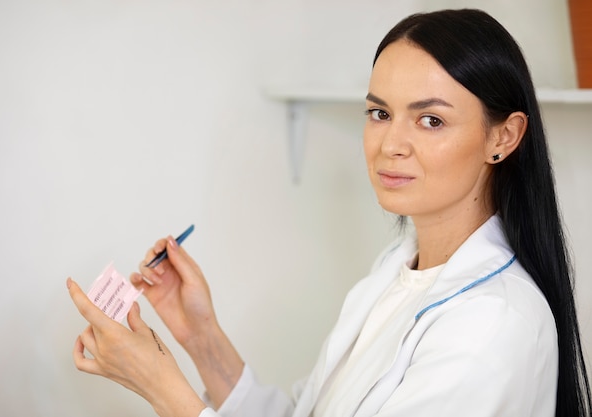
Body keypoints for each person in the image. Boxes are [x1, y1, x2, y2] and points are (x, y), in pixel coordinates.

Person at [67, 8, 592, 417]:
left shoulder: (495, 323)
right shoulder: (396, 268)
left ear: (503, 136)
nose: (391, 144)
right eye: (379, 113)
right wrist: (200, 338)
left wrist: (162, 389)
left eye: (430, 120)